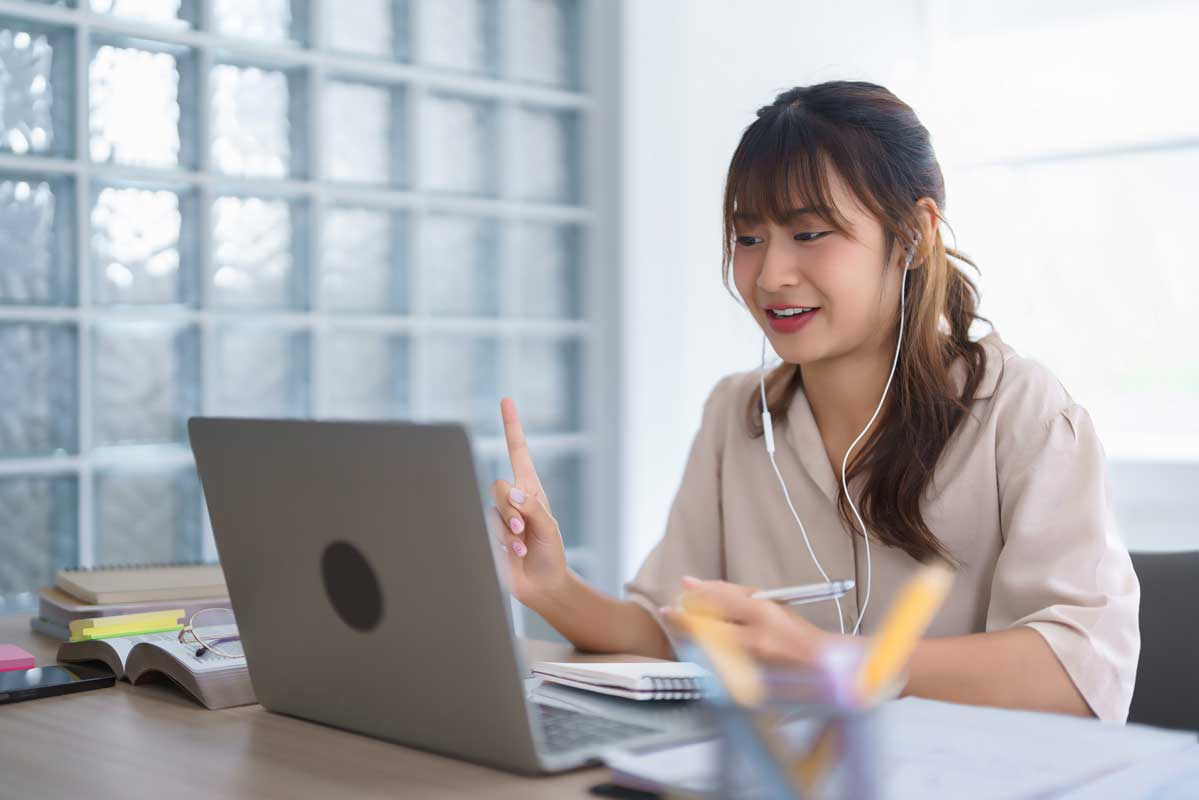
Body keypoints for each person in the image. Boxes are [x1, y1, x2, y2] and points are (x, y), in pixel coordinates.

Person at [486, 81, 1139, 722]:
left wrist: (830, 660)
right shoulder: (735, 414)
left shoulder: (1019, 411)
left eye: (809, 234)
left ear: (912, 235)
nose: (769, 276)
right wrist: (552, 588)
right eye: (747, 239)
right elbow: (674, 635)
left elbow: (1076, 674)